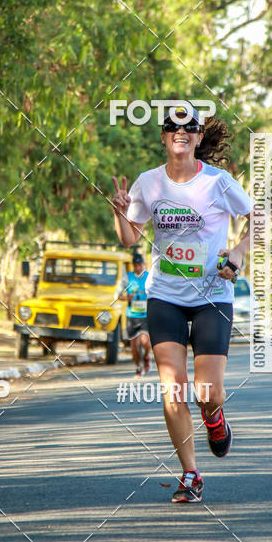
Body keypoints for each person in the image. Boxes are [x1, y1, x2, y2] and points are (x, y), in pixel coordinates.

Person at [112, 105, 252, 503]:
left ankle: (214, 416)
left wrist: (239, 252)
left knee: (208, 391)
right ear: (163, 136)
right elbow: (129, 238)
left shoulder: (218, 182)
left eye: (189, 127)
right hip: (165, 297)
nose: (180, 132)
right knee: (172, 388)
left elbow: (258, 220)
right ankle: (191, 473)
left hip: (212, 296)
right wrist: (121, 214)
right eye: (173, 127)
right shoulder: (148, 183)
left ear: (196, 137)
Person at [122, 252, 151, 375]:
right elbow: (118, 295)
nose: (137, 267)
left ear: (143, 265)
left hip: (145, 315)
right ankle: (138, 366)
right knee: (134, 345)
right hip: (132, 315)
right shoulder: (127, 277)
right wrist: (127, 297)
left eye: (139, 264)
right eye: (135, 265)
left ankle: (146, 357)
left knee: (145, 341)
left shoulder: (149, 277)